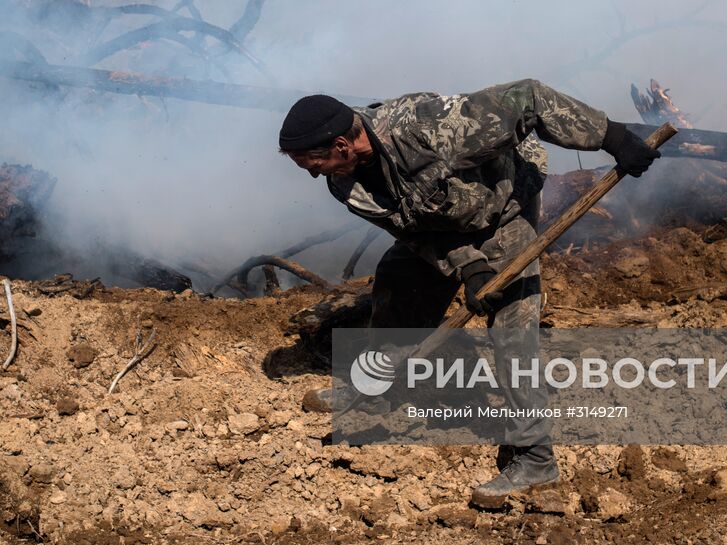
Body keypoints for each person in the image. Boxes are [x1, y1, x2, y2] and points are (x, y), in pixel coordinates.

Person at [279, 79, 659, 507]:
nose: (314, 174)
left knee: (512, 331)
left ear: (343, 144)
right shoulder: (348, 184)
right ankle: (374, 385)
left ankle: (535, 458)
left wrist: (612, 137)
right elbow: (412, 231)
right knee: (397, 281)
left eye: (314, 161)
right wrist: (469, 265)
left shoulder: (429, 129)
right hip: (442, 226)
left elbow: (529, 100)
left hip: (503, 208)